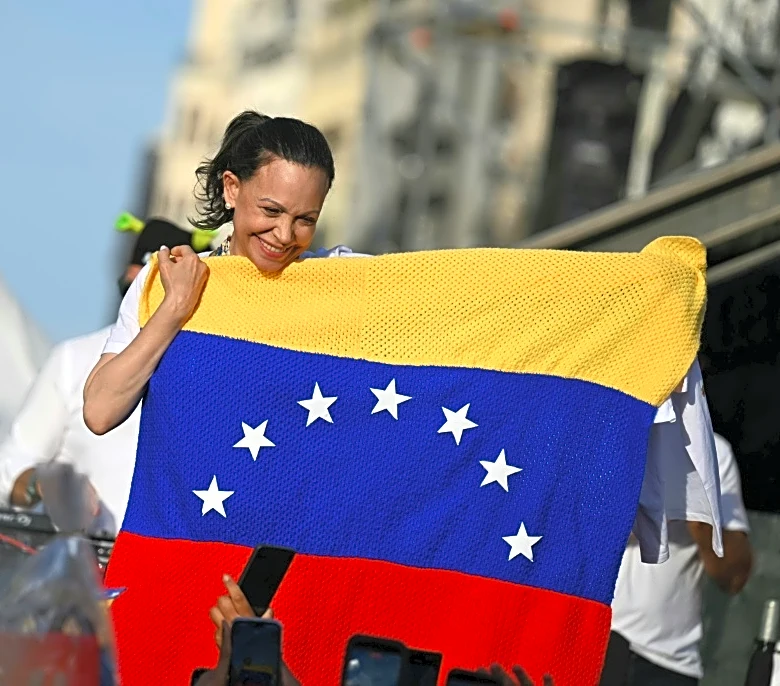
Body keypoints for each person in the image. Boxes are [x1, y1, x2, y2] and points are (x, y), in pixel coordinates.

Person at [83, 112, 360, 436]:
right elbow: (99, 412)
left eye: (306, 219)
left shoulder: (339, 278)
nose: (285, 234)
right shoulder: (165, 281)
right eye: (271, 210)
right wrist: (176, 307)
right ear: (232, 189)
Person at [0, 218, 199, 531]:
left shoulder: (213, 368)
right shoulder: (73, 358)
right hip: (89, 569)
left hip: (178, 566)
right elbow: (10, 474)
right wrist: (48, 484)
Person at [606, 433, 753, 685]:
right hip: (580, 638)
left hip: (666, 662)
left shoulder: (714, 451)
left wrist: (701, 516)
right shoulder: (604, 431)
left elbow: (734, 578)